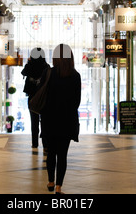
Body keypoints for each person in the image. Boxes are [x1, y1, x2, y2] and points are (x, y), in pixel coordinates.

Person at [40, 44, 81, 194]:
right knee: (62, 155)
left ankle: (50, 181)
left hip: (49, 120)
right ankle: (59, 187)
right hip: (67, 121)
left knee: (50, 153)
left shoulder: (48, 73)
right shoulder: (75, 75)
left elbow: (43, 96)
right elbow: (77, 102)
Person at [21, 48, 50, 148]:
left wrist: (28, 62)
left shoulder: (30, 66)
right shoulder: (46, 67)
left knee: (34, 121)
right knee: (45, 121)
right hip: (44, 98)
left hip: (32, 98)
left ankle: (35, 143)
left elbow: (23, 72)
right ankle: (45, 144)